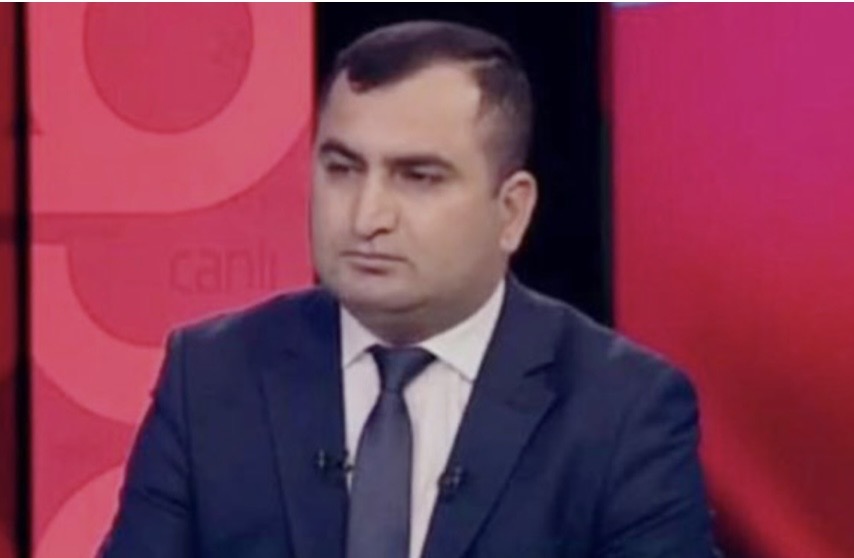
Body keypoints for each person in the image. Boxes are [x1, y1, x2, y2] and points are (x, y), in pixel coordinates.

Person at [99, 20, 716, 558]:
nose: (367, 216)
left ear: (512, 211)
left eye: (418, 177)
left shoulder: (623, 410)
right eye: (342, 169)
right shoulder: (211, 377)